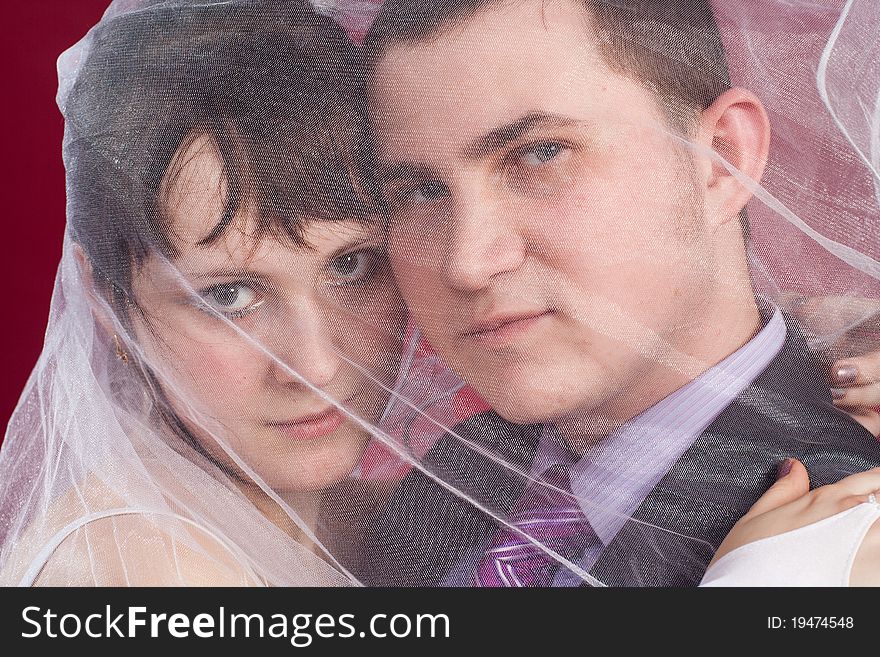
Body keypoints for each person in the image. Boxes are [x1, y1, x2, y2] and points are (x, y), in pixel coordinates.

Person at [358, 0, 880, 586]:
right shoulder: (445, 482)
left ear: (720, 160)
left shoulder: (850, 533)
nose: (465, 262)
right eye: (418, 191)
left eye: (540, 154)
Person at [0, 0, 417, 586]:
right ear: (106, 302)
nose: (315, 365)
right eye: (229, 298)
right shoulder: (150, 572)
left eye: (351, 266)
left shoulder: (385, 520)